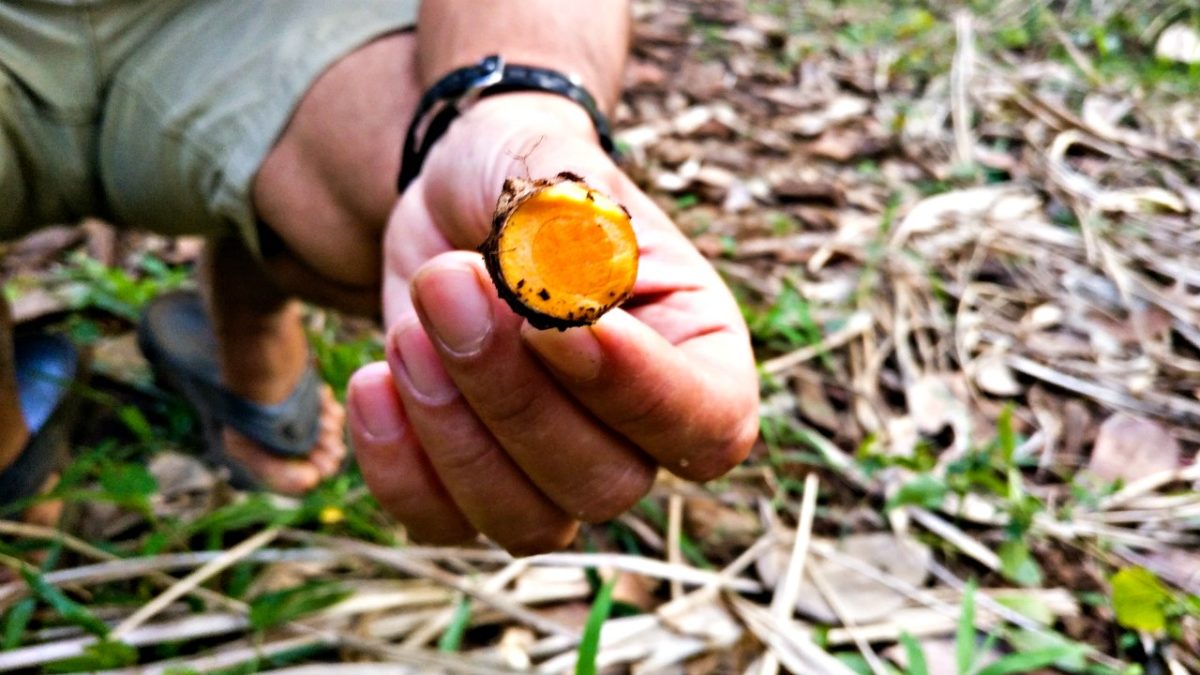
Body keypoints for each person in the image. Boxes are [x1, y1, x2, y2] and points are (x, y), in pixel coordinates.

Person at [0, 0, 759, 554]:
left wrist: (518, 103)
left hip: (235, 20)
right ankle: (12, 467)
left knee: (426, 211)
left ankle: (251, 312)